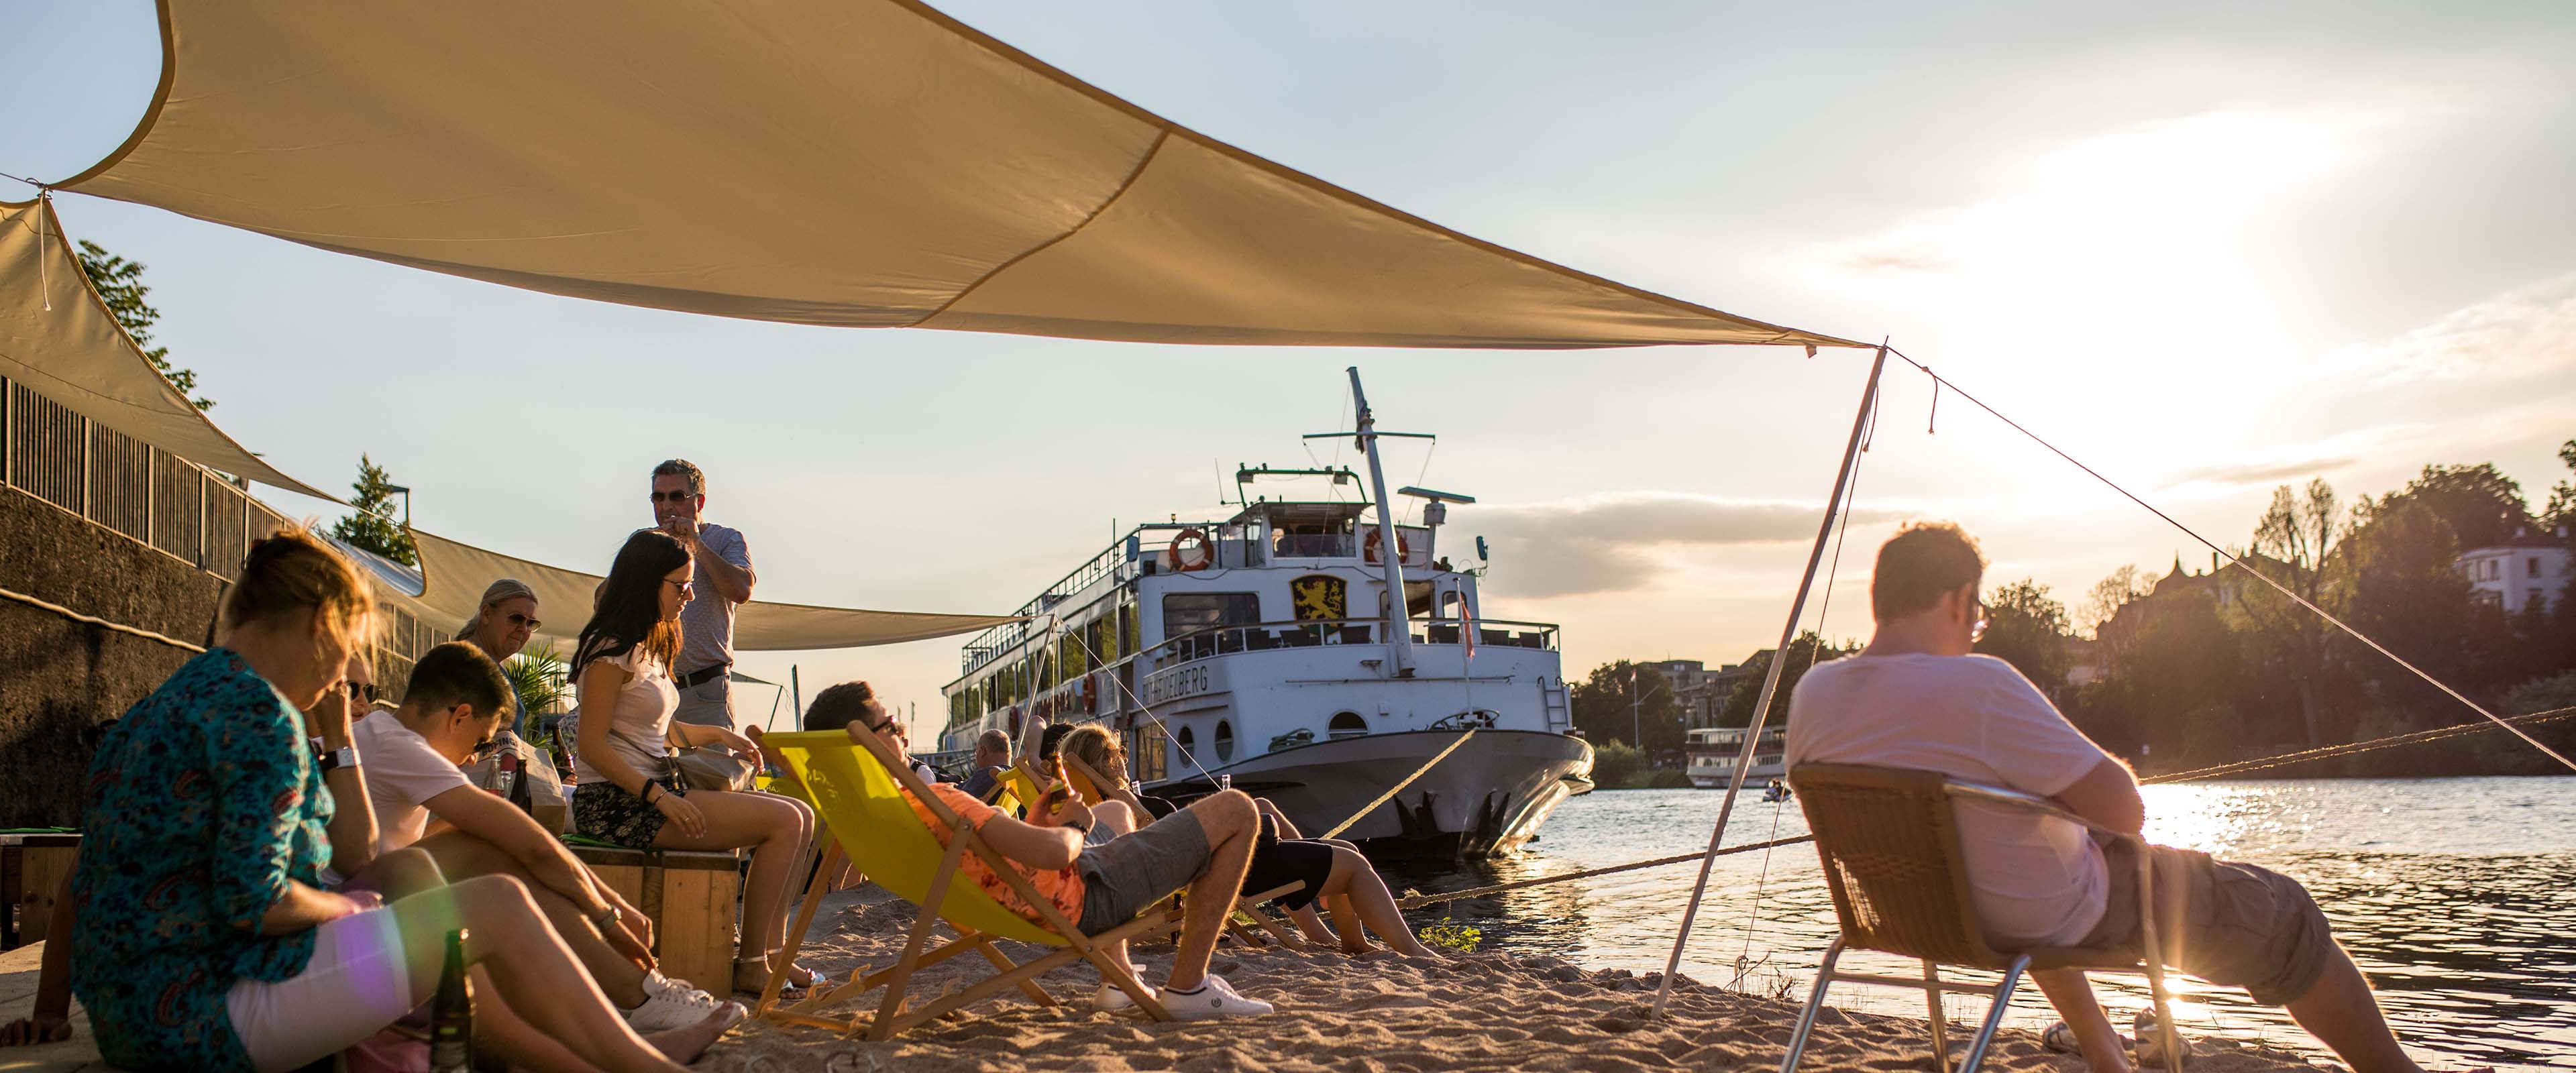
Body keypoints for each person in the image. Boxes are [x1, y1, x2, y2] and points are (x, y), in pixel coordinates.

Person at [1785, 522, 2433, 1073]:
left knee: (2024, 857)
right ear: (1958, 600)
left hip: (1917, 915)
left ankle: (2104, 1051)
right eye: (1977, 616)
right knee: (2288, 914)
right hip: (2037, 916)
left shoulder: (1813, 695)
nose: (1975, 629)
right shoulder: (1979, 685)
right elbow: (2127, 810)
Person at [68, 526, 694, 1073]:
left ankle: (616, 1049)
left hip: (132, 1013)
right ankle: (644, 1061)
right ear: (322, 625)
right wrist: (356, 912)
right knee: (495, 904)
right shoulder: (261, 715)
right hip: (208, 1016)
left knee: (433, 882)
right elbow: (255, 901)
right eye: (348, 651)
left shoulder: (168, 702)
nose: (343, 676)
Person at [812, 683, 1274, 1019]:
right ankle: (1189, 986)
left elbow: (1007, 860)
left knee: (1114, 812)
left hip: (1030, 899)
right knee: (1237, 809)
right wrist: (1073, 824)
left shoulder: (889, 811)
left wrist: (1044, 822)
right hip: (1083, 896)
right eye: (891, 724)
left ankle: (1119, 979)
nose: (905, 733)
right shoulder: (942, 802)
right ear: (866, 743)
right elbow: (1056, 855)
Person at [347, 640, 734, 1031]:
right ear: (460, 717)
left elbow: (405, 841)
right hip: (359, 924)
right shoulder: (404, 749)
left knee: (488, 851)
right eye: (481, 743)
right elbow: (532, 848)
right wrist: (609, 914)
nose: (470, 760)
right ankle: (636, 996)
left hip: (367, 898)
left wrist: (472, 810)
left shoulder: (378, 734)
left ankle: (611, 1000)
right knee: (493, 849)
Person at [568, 528, 818, 997]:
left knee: (802, 816)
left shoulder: (648, 643)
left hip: (648, 793)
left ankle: (773, 955)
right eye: (680, 586)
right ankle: (752, 964)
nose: (690, 596)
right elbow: (592, 747)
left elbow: (660, 731)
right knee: (785, 822)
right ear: (646, 582)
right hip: (616, 804)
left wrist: (721, 734)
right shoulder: (609, 649)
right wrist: (660, 798)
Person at [1052, 724, 1436, 972]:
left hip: (1216, 864)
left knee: (1335, 848)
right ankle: (1412, 951)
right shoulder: (1122, 806)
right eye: (1118, 755)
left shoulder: (1093, 808)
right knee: (1352, 862)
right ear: (1105, 761)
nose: (1124, 759)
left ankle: (1354, 942)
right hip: (1233, 868)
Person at [649, 459, 755, 733]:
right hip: (652, 688)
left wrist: (697, 544)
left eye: (677, 497)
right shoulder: (645, 543)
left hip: (705, 690)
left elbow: (741, 590)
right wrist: (648, 552)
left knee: (713, 774)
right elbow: (605, 601)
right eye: (658, 497)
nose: (667, 506)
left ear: (700, 502)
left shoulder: (725, 539)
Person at [961, 728, 1012, 801]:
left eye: (977, 752)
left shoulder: (988, 775)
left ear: (982, 751)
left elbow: (959, 800)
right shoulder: (1014, 777)